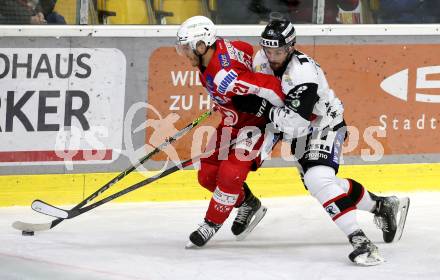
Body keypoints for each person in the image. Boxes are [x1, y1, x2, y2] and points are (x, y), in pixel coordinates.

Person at [232, 19, 410, 265]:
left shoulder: (302, 74)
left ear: (291, 47)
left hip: (323, 125)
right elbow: (270, 109)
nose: (272, 56)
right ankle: (382, 206)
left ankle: (361, 241)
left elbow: (292, 121)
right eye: (268, 49)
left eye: (278, 51)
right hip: (298, 131)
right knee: (324, 183)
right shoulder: (261, 61)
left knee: (318, 180)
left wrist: (262, 110)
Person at [175, 16, 285, 248]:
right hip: (231, 122)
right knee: (207, 177)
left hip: (254, 127)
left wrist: (274, 112)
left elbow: (272, 86)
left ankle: (211, 224)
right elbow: (245, 50)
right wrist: (226, 101)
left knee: (229, 174)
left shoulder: (225, 75)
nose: (184, 53)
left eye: (187, 48)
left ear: (202, 45)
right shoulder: (217, 52)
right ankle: (249, 203)